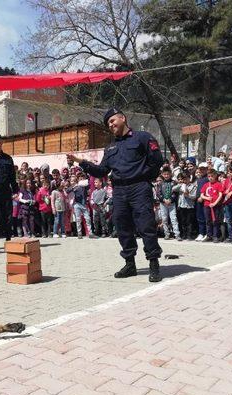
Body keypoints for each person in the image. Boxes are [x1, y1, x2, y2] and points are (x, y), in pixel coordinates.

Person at [68, 108, 164, 282]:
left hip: (139, 188)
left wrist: (145, 177)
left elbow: (156, 160)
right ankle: (130, 264)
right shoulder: (111, 147)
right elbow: (102, 170)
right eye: (108, 124)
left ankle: (154, 264)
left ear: (123, 118)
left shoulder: (142, 137)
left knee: (146, 226)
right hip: (119, 191)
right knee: (122, 228)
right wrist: (81, 162)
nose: (111, 125)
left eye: (113, 121)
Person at [199, 169, 224, 242]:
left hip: (215, 206)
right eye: (209, 176)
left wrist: (215, 203)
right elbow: (202, 195)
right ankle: (209, 235)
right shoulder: (206, 185)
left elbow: (220, 195)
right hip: (207, 205)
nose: (210, 178)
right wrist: (207, 198)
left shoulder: (218, 184)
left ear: (215, 176)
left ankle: (215, 236)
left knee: (215, 221)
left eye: (212, 176)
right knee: (208, 221)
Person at [155, 167, 179, 240]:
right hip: (163, 204)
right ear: (162, 174)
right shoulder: (161, 183)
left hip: (171, 204)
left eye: (168, 174)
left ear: (170, 174)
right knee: (164, 219)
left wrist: (171, 200)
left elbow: (175, 193)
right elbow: (158, 193)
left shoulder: (174, 182)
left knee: (173, 219)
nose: (166, 176)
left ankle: (177, 234)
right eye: (164, 174)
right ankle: (166, 234)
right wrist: (163, 200)